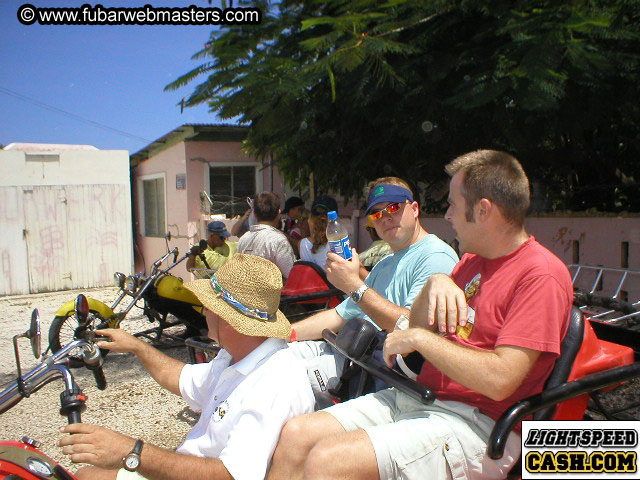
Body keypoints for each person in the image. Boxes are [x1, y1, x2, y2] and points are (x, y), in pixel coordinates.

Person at [268, 150, 573, 480]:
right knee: (296, 435)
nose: (447, 215)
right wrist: (435, 285)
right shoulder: (471, 262)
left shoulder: (540, 275)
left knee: (329, 461)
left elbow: (500, 381)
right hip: (418, 397)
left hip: (477, 424)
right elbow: (408, 341)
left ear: (483, 210)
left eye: (454, 204)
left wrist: (419, 338)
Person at [58, 254, 314, 480]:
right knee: (84, 474)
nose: (203, 311)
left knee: (86, 475)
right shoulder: (237, 356)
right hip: (193, 466)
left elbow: (231, 475)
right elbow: (183, 378)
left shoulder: (273, 385)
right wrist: (136, 346)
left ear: (231, 321)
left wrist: (133, 452)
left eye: (209, 305)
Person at [287, 177, 459, 405]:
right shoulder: (386, 262)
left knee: (279, 377)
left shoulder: (436, 257)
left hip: (374, 372)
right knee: (267, 355)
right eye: (376, 214)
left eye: (394, 207)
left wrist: (353, 285)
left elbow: (412, 329)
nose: (385, 217)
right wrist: (287, 333)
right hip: (346, 354)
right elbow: (340, 315)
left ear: (415, 208)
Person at [237, 192, 296, 281]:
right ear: (278, 213)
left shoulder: (243, 239)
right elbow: (290, 274)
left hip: (246, 293)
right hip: (272, 294)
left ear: (255, 214)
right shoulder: (278, 240)